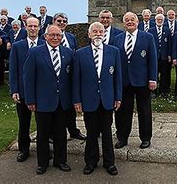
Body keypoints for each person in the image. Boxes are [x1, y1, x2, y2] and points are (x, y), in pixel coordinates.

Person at [73, 22, 122, 176]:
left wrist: (118, 97)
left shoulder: (114, 52)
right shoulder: (80, 53)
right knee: (91, 132)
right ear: (89, 34)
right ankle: (90, 161)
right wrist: (77, 100)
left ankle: (110, 163)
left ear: (104, 34)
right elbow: (76, 79)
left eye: (101, 31)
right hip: (89, 100)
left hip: (107, 99)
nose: (98, 34)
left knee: (107, 132)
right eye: (95, 31)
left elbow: (118, 77)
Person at [24, 25, 73, 175]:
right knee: (43, 134)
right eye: (52, 35)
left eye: (58, 35)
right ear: (45, 36)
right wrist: (30, 100)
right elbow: (28, 78)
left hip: (62, 101)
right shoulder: (34, 52)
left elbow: (72, 78)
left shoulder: (68, 52)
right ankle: (43, 163)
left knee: (60, 133)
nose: (55, 38)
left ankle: (60, 161)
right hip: (42, 102)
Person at [111, 12, 157, 150]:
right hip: (124, 81)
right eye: (127, 20)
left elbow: (152, 59)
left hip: (142, 80)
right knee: (122, 111)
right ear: (123, 23)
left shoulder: (148, 37)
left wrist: (152, 78)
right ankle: (122, 137)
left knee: (144, 110)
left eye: (132, 19)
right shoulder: (117, 38)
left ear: (138, 22)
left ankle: (145, 138)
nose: (129, 22)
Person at [9, 17, 44, 163]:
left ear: (39, 27)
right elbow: (13, 70)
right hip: (23, 91)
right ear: (25, 27)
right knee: (24, 123)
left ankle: (45, 150)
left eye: (35, 26)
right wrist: (14, 90)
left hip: (42, 91)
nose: (33, 28)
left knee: (43, 123)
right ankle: (24, 150)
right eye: (30, 26)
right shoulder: (17, 46)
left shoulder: (45, 44)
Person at [53, 12, 86, 140]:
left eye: (64, 21)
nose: (62, 23)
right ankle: (54, 133)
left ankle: (73, 130)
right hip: (55, 77)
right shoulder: (50, 37)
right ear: (54, 22)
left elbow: (76, 54)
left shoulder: (71, 37)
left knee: (70, 106)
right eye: (59, 21)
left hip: (70, 76)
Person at [148, 14, 172, 98]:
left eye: (161, 19)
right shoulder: (150, 31)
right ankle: (153, 92)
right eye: (158, 19)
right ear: (155, 20)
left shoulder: (167, 30)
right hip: (154, 56)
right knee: (154, 74)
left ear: (163, 20)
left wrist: (169, 55)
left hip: (164, 56)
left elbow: (169, 44)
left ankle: (163, 91)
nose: (159, 20)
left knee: (164, 75)